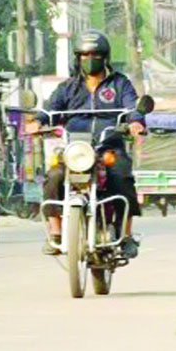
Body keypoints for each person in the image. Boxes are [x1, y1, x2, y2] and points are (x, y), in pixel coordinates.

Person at [34, 29, 145, 258]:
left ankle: (125, 235)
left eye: (95, 54)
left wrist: (135, 122)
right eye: (84, 55)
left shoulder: (120, 84)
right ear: (77, 58)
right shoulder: (69, 87)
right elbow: (50, 108)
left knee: (122, 176)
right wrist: (37, 121)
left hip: (108, 148)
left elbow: (133, 107)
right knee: (54, 176)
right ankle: (55, 232)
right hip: (76, 149)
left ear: (105, 57)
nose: (89, 59)